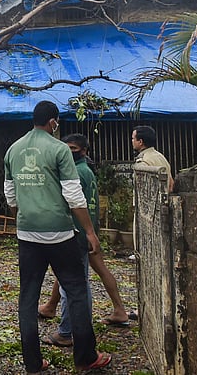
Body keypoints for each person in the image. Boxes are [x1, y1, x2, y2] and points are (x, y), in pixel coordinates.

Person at [4, 101, 111, 374]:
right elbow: (74, 196)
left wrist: (25, 214)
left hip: (27, 233)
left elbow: (11, 196)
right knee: (75, 291)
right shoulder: (59, 149)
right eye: (57, 123)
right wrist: (89, 231)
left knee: (28, 297)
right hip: (59, 233)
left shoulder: (13, 150)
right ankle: (85, 357)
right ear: (53, 122)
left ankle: (32, 362)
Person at [38, 134, 136, 331]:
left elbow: (72, 203)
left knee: (76, 279)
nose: (69, 152)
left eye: (72, 148)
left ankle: (73, 329)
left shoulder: (75, 172)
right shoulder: (87, 170)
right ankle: (52, 306)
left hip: (78, 231)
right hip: (88, 230)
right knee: (76, 270)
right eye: (66, 148)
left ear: (84, 151)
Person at [132, 125, 173, 191]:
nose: (132, 141)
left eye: (133, 138)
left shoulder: (143, 161)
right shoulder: (161, 157)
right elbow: (171, 185)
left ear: (140, 142)